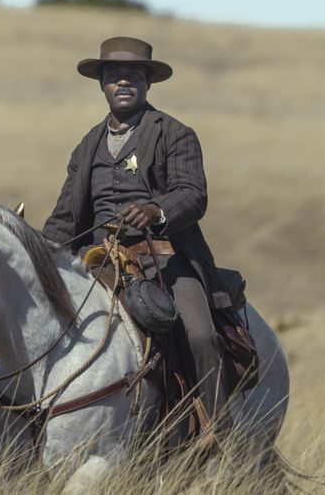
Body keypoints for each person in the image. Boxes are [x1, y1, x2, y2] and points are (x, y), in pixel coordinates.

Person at [42, 36, 233, 440]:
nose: (122, 81)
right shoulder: (86, 146)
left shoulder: (175, 133)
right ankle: (10, 436)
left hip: (163, 259)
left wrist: (157, 210)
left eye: (132, 75)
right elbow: (64, 218)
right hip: (96, 261)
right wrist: (39, 258)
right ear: (102, 84)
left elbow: (192, 195)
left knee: (201, 335)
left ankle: (218, 431)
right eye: (113, 75)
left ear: (147, 82)